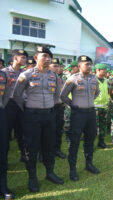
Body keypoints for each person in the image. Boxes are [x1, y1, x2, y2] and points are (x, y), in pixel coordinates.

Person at [13, 46, 64, 192]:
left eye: (49, 57)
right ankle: (32, 177)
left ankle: (50, 173)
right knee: (32, 147)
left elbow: (56, 97)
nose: (47, 59)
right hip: (31, 116)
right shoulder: (26, 74)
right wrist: (29, 108)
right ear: (36, 58)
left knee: (49, 145)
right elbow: (17, 95)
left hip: (48, 115)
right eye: (44, 56)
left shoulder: (53, 76)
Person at [60, 55, 100, 181]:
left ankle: (89, 164)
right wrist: (73, 105)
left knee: (90, 139)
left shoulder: (94, 78)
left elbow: (97, 92)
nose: (89, 66)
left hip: (90, 113)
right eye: (86, 64)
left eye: (90, 64)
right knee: (75, 141)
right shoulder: (73, 79)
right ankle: (73, 169)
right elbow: (63, 95)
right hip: (78, 114)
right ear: (79, 66)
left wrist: (88, 102)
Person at [2, 49, 27, 161]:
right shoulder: (4, 72)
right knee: (6, 133)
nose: (25, 60)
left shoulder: (25, 73)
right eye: (22, 57)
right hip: (9, 105)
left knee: (22, 131)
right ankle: (4, 158)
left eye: (25, 57)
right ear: (15, 58)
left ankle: (24, 154)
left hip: (21, 104)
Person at [0, 70, 15, 199]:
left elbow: (7, 93)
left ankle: (3, 186)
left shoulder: (3, 75)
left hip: (0, 113)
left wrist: (1, 106)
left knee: (2, 151)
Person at [49, 58, 67, 159]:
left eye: (59, 66)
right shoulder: (45, 77)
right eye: (55, 66)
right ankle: (44, 152)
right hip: (48, 107)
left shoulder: (59, 78)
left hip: (58, 106)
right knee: (47, 131)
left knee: (58, 130)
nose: (58, 68)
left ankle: (57, 149)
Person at [94, 63, 110, 149]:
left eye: (105, 69)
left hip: (104, 107)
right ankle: (91, 144)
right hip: (94, 107)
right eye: (103, 69)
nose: (105, 71)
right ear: (98, 70)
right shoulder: (92, 80)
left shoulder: (106, 80)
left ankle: (101, 142)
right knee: (93, 127)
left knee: (102, 126)